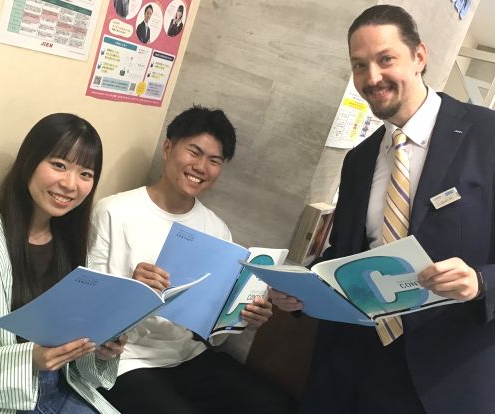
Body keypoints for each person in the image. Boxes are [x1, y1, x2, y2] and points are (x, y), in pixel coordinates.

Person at [271, 4, 495, 414]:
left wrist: (480, 282)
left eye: (385, 59)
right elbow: (346, 254)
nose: (372, 77)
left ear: (419, 56)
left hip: (440, 374)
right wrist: (301, 289)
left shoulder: (487, 135)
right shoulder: (359, 160)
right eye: (360, 65)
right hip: (350, 360)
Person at [89, 105, 294, 413]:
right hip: (126, 359)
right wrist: (133, 289)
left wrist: (244, 318)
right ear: (167, 148)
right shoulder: (114, 212)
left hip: (188, 354)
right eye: (194, 152)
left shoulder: (216, 229)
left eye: (214, 160)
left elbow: (215, 332)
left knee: (274, 404)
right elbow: (89, 306)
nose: (201, 167)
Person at [0, 113, 127, 414]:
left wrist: (100, 350)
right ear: (29, 161)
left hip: (61, 388)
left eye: (85, 173)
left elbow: (75, 355)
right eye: (59, 165)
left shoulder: (71, 242)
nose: (70, 184)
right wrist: (30, 359)